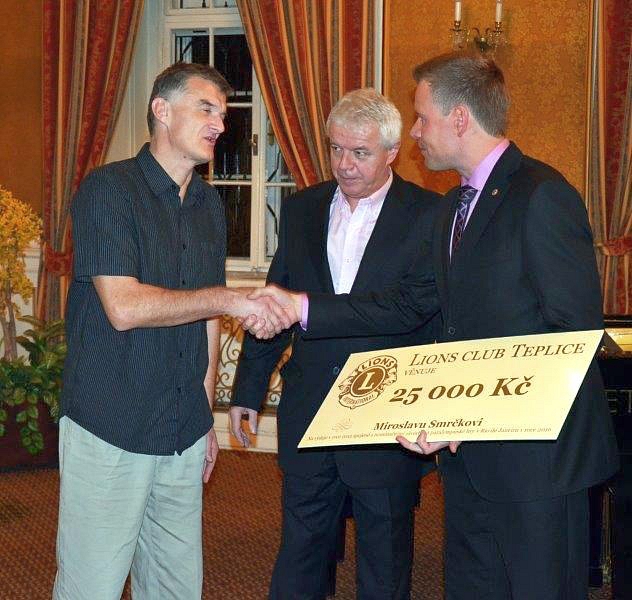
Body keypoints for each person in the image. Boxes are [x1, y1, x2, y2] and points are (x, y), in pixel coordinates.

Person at [249, 53, 620, 599]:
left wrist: (473, 417)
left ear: (460, 118)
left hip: (537, 467)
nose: (416, 132)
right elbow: (423, 314)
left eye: (422, 117)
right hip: (464, 460)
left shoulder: (541, 194)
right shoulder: (451, 209)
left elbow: (571, 339)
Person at [53, 62, 290, 600]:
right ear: (161, 110)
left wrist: (204, 417)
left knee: (176, 588)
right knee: (92, 587)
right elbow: (124, 306)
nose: (220, 124)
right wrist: (229, 298)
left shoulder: (208, 205)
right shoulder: (109, 189)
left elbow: (204, 321)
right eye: (206, 109)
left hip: (182, 429)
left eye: (223, 114)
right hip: (110, 424)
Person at [230, 88, 441, 599]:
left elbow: (412, 310)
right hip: (309, 411)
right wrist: (247, 390)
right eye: (336, 149)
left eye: (360, 152)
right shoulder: (302, 209)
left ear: (392, 152)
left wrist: (304, 306)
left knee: (383, 565)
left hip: (387, 421)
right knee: (300, 554)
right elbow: (277, 301)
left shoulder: (429, 215)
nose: (344, 164)